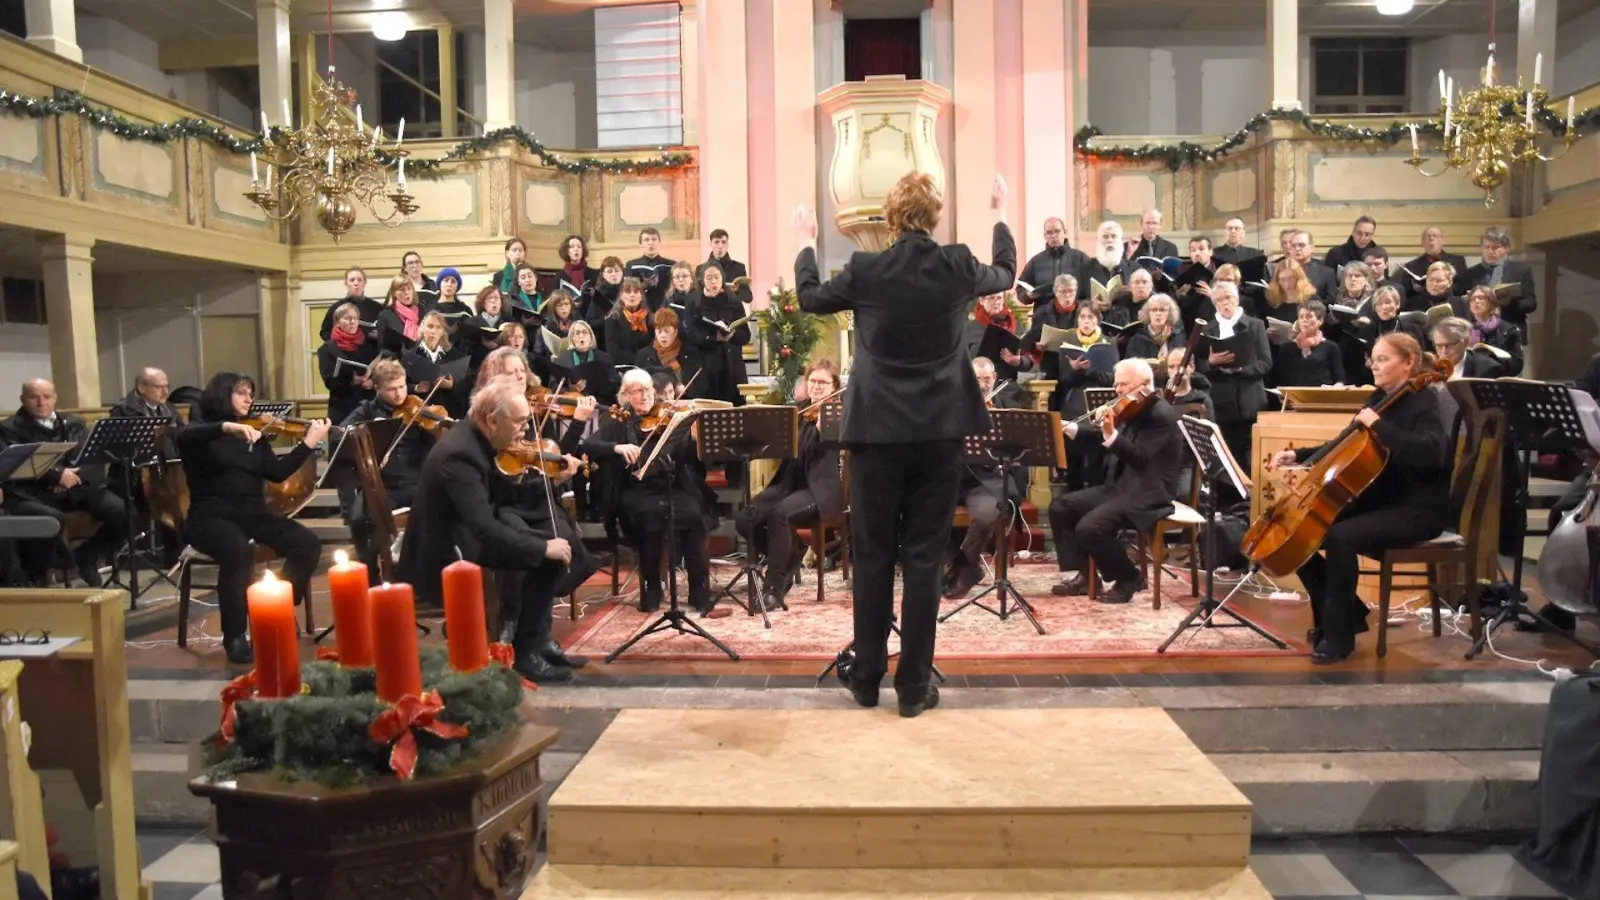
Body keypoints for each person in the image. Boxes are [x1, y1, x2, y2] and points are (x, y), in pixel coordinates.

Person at [794, 170, 1014, 717]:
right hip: (939, 434)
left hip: (875, 435)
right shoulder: (957, 263)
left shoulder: (867, 269)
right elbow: (1006, 273)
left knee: (871, 556)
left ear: (891, 217)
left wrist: (807, 240)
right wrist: (998, 215)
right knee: (922, 558)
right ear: (935, 215)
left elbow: (809, 298)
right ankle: (913, 688)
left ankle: (867, 679)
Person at [1266, 333, 1452, 663]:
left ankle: (1339, 638)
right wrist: (1301, 456)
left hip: (1417, 508)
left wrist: (1380, 426)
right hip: (1381, 502)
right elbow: (1344, 442)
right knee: (1301, 530)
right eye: (1372, 359)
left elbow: (1431, 452)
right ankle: (1345, 615)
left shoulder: (1425, 401)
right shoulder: (1380, 397)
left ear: (1408, 363)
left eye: (1382, 359)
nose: (1373, 366)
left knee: (1340, 537)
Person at [397, 375, 581, 682]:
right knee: (547, 555)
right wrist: (541, 547)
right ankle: (525, 654)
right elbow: (484, 527)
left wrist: (552, 481)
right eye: (520, 422)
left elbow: (501, 494)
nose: (527, 429)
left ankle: (533, 643)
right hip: (447, 552)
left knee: (556, 546)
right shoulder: (461, 455)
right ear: (492, 421)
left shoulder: (477, 439)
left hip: (466, 536)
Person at [176, 372, 326, 664]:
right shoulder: (202, 433)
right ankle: (234, 635)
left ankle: (275, 609)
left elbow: (278, 472)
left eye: (250, 393)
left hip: (253, 513)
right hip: (209, 517)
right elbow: (183, 436)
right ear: (222, 394)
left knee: (307, 544)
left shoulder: (255, 433)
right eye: (241, 393)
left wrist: (308, 443)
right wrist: (227, 427)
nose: (249, 399)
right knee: (238, 551)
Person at [1048, 358, 1184, 604]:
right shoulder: (1134, 407)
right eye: (1116, 384)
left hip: (1147, 493)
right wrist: (1074, 430)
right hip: (1120, 487)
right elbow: (1105, 442)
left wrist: (1110, 433)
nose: (1118, 390)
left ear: (1144, 384)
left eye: (1124, 384)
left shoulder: (1159, 414)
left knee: (1090, 528)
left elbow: (1140, 458)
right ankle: (1087, 575)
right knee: (1060, 507)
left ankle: (1129, 577)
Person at [583, 368, 714, 614]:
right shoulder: (618, 420)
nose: (644, 396)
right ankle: (652, 587)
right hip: (635, 489)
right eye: (637, 391)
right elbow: (590, 445)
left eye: (648, 390)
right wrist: (617, 448)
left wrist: (695, 441)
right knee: (650, 517)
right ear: (625, 395)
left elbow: (686, 461)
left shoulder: (671, 418)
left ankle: (699, 590)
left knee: (693, 514)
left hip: (671, 485)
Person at [736, 360, 846, 611]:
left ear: (834, 387)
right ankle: (790, 558)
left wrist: (825, 430)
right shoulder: (798, 412)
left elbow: (835, 446)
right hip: (789, 483)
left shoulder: (835, 414)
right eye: (813, 381)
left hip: (819, 489)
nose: (817, 387)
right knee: (745, 518)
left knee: (780, 513)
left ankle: (774, 587)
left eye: (823, 382)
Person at [0, 380, 129, 587]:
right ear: (23, 400)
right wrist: (57, 475)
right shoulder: (8, 428)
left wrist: (71, 477)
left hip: (75, 488)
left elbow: (88, 456)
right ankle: (40, 575)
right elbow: (15, 463)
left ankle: (88, 555)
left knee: (121, 510)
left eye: (47, 396)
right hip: (34, 493)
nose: (41, 402)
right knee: (51, 520)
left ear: (55, 397)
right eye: (34, 397)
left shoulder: (72, 422)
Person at [339, 359, 432, 581]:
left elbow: (433, 448)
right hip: (381, 485)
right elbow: (342, 432)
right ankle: (370, 575)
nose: (400, 394)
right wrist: (366, 438)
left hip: (415, 482)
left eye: (402, 386)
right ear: (378, 389)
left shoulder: (417, 408)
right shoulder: (367, 409)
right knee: (358, 519)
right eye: (392, 390)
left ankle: (424, 574)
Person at [943, 356, 1020, 600]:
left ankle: (964, 567)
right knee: (922, 509)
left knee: (987, 514)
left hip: (987, 481)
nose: (983, 385)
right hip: (954, 479)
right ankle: (964, 566)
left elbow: (1020, 446)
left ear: (994, 378)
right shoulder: (953, 405)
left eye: (987, 379)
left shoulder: (1006, 404)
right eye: (976, 380)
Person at [1201, 281, 1272, 477]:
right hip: (1221, 400)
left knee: (1249, 453)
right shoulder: (1207, 329)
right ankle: (1228, 500)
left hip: (1249, 398)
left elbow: (1266, 362)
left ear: (1237, 299)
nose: (1225, 303)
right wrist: (1210, 362)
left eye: (1229, 298)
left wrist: (1241, 369)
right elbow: (1198, 367)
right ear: (1214, 303)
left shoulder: (1255, 325)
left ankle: (1249, 500)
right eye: (1220, 300)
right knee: (1225, 454)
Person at [1454, 225, 1537, 329]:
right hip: (1478, 330)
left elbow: (1530, 303)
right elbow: (1457, 300)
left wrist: (1510, 303)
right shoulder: (1470, 274)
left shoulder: (1520, 271)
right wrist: (1468, 300)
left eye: (1495, 247)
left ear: (1506, 248)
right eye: (1487, 247)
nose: (1490, 251)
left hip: (1511, 328)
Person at [689, 264, 750, 405]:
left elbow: (745, 336)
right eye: (709, 278)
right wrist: (713, 338)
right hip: (707, 365)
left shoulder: (734, 302)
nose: (713, 281)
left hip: (732, 366)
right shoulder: (694, 301)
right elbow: (691, 334)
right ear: (702, 280)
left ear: (722, 279)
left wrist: (732, 335)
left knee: (736, 410)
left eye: (717, 277)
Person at [318, 301, 379, 423]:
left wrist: (373, 381)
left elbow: (379, 370)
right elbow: (330, 382)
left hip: (368, 405)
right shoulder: (327, 349)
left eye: (355, 318)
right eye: (347, 318)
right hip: (343, 407)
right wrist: (352, 380)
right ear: (338, 322)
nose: (352, 322)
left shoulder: (370, 345)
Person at [403, 310, 467, 418]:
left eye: (438, 327)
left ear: (443, 332)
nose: (433, 331)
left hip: (447, 412)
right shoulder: (410, 356)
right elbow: (401, 385)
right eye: (430, 326)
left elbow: (464, 388)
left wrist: (452, 386)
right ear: (422, 328)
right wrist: (416, 387)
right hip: (420, 413)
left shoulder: (455, 355)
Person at [1272, 300, 1345, 387]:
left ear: (1320, 320)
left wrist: (1336, 388)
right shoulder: (1287, 348)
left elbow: (1340, 380)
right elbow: (1281, 380)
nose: (1304, 320)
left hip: (1323, 397)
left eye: (1309, 316)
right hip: (1295, 398)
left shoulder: (1331, 347)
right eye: (1301, 317)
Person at [964, 290, 1031, 383]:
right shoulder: (970, 328)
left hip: (1008, 386)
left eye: (999, 298)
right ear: (981, 301)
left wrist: (1019, 361)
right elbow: (961, 360)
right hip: (979, 385)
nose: (996, 301)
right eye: (992, 298)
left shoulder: (1016, 325)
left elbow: (1030, 360)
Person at [1018, 217, 1086, 307]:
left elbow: (1091, 288)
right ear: (1045, 236)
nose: (1053, 235)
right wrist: (1028, 295)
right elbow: (1020, 289)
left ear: (1065, 233)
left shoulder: (1080, 258)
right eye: (1049, 232)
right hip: (1044, 315)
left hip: (1074, 315)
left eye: (1057, 231)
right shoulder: (1036, 262)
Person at [316, 266, 382, 342]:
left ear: (364, 283)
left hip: (369, 351)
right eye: (352, 280)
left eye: (359, 280)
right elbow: (325, 333)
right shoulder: (336, 307)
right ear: (346, 283)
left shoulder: (377, 307)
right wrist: (341, 337)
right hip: (343, 351)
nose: (356, 283)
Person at [604, 276, 655, 366]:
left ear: (641, 296)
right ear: (621, 296)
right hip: (623, 366)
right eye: (628, 292)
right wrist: (638, 360)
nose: (632, 295)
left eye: (636, 292)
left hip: (647, 365)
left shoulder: (649, 318)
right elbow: (613, 352)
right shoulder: (612, 319)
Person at [627, 227, 676, 311]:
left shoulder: (671, 265)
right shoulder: (632, 265)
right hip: (640, 309)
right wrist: (644, 285)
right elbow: (627, 290)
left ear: (659, 243)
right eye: (646, 240)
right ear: (641, 244)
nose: (651, 243)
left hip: (665, 308)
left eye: (654, 239)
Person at [375, 274, 422, 355]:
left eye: (409, 289)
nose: (406, 292)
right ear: (394, 293)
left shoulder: (422, 311)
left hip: (421, 360)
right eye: (402, 290)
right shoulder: (385, 315)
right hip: (397, 362)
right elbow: (382, 348)